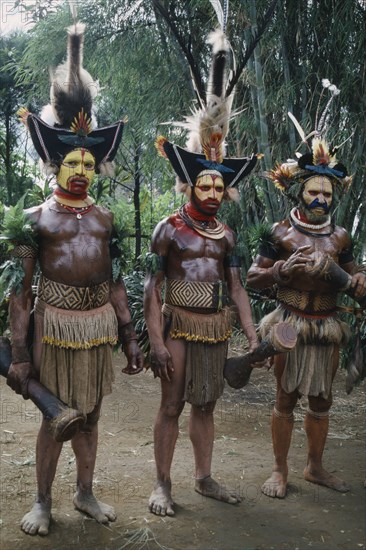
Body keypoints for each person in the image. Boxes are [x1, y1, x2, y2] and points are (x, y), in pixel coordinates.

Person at [5, 22, 144, 536]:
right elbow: (20, 292)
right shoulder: (37, 219)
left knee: (89, 417)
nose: (81, 167)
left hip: (97, 327)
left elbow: (114, 285)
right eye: (72, 160)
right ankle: (43, 502)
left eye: (89, 159)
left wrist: (130, 338)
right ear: (55, 162)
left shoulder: (105, 219)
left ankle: (85, 492)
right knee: (54, 418)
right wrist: (20, 354)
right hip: (54, 326)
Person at [143, 29, 262, 517]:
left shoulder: (228, 235)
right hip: (177, 325)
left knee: (207, 405)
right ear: (191, 183)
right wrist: (153, 340)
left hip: (215, 329)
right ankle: (161, 484)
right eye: (204, 183)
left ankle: (204, 476)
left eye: (219, 185)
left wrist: (253, 337)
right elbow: (152, 288)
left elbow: (236, 288)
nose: (212, 191)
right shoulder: (169, 229)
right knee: (171, 405)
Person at [246, 84, 366, 499]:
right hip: (289, 325)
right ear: (299, 192)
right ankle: (279, 471)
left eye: (326, 194)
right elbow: (251, 278)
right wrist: (280, 268)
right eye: (313, 191)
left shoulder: (340, 236)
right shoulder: (280, 233)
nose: (319, 199)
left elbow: (353, 275)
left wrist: (361, 277)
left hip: (327, 325)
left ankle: (314, 466)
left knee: (322, 400)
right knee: (285, 397)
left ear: (334, 197)